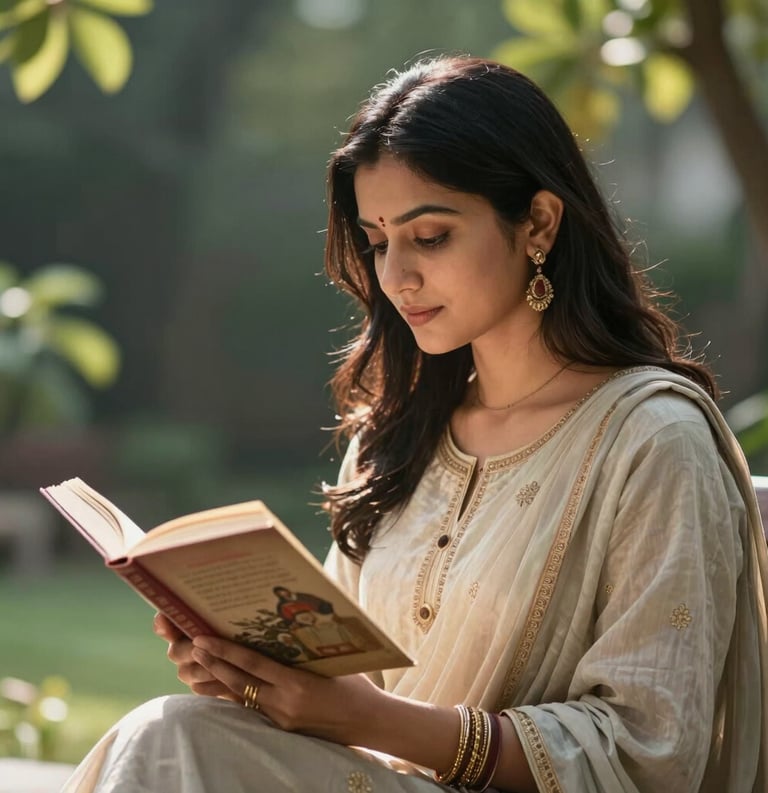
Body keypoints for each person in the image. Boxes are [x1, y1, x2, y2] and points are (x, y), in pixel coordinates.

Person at [61, 55, 768, 793]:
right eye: (376, 240)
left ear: (538, 222)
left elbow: (649, 749)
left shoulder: (652, 440)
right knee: (179, 731)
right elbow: (339, 685)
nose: (395, 276)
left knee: (170, 739)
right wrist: (252, 675)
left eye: (429, 236)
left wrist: (368, 720)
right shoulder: (398, 434)